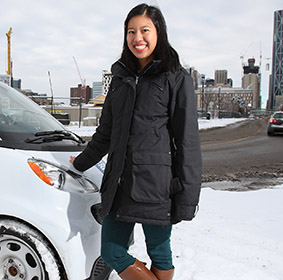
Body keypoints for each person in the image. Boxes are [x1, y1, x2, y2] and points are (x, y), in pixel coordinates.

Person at [71, 3, 202, 280]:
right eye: (131, 32)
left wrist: (188, 197)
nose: (137, 38)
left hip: (157, 185)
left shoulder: (176, 78)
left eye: (145, 30)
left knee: (159, 251)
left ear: (158, 32)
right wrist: (80, 163)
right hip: (119, 183)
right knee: (111, 251)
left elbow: (187, 141)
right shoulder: (118, 79)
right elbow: (105, 134)